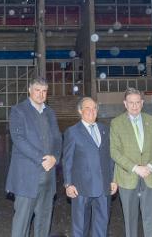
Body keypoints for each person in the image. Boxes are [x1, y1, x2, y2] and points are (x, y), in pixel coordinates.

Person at [6, 77, 62, 237]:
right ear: (29, 90)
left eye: (44, 91)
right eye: (37, 90)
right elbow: (19, 139)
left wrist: (55, 158)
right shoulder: (18, 110)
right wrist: (42, 159)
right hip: (27, 177)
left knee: (44, 222)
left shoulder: (50, 112)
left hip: (48, 177)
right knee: (22, 223)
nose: (41, 94)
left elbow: (58, 138)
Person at [110, 87, 152, 237]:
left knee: (150, 218)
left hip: (150, 175)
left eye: (137, 102)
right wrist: (135, 168)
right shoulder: (116, 123)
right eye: (131, 102)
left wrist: (151, 166)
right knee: (130, 219)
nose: (134, 106)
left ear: (142, 103)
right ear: (125, 104)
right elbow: (115, 152)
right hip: (128, 178)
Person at [63, 97, 118, 237]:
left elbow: (110, 158)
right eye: (87, 108)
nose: (91, 111)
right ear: (80, 111)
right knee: (80, 228)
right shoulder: (72, 132)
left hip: (104, 188)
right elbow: (67, 160)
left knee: (102, 228)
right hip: (81, 188)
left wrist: (113, 179)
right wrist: (68, 184)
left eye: (94, 108)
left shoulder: (105, 130)